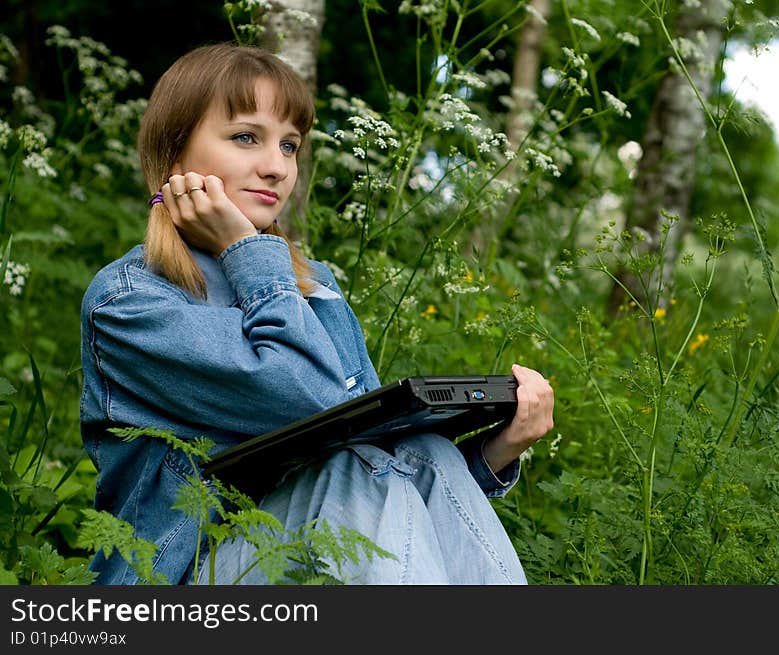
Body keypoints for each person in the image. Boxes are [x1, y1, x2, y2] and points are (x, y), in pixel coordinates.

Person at [79, 42, 554, 585]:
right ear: (173, 157)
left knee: (425, 452)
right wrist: (245, 248)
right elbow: (306, 398)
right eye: (245, 137)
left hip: (307, 556)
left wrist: (497, 451)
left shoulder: (314, 286)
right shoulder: (131, 301)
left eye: (290, 145)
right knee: (354, 472)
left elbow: (382, 467)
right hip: (175, 582)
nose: (276, 167)